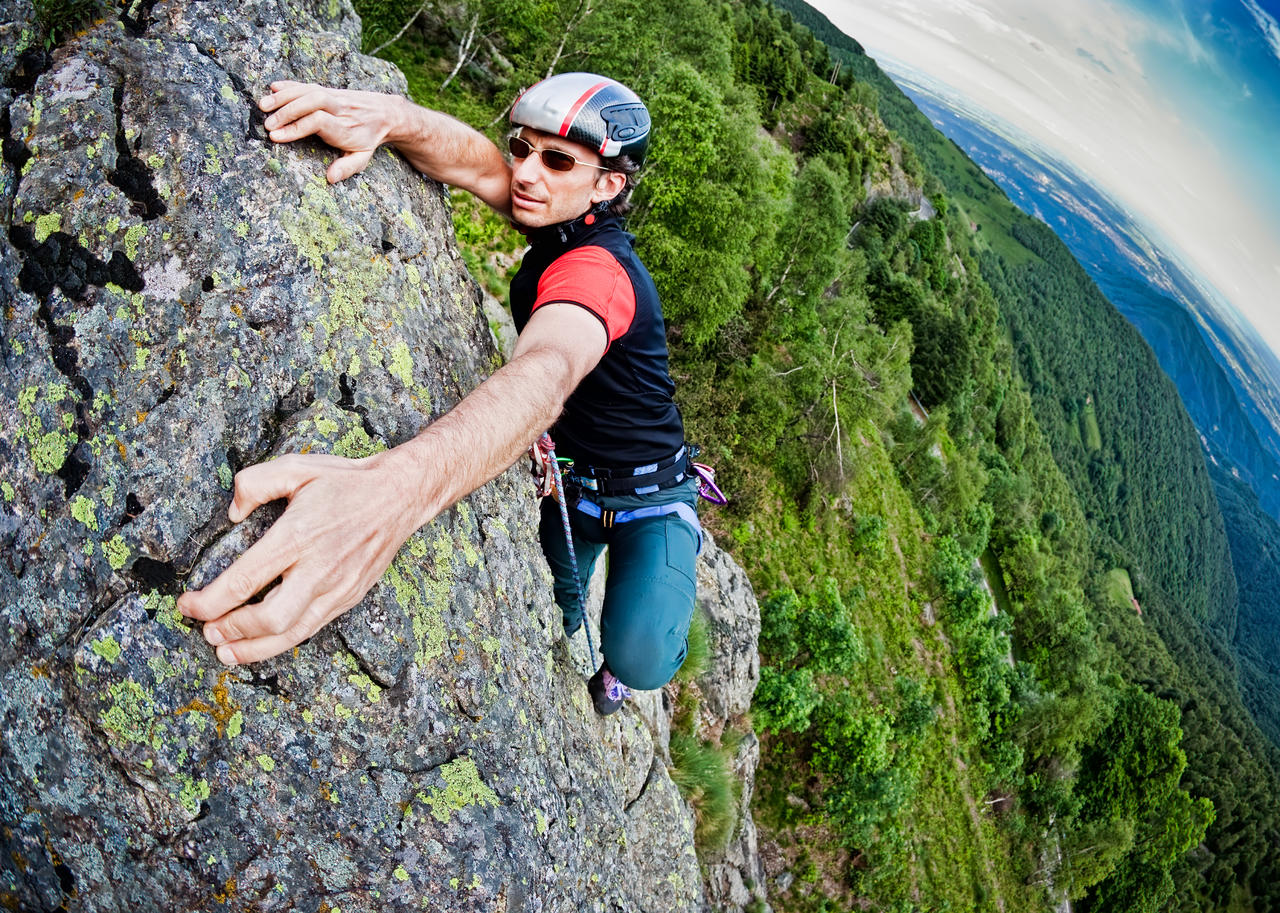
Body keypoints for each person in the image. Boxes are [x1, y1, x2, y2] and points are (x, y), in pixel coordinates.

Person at [176, 73, 701, 715]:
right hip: (571, 479)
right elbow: (478, 165)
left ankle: (621, 670)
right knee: (560, 596)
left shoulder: (598, 271)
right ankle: (572, 621)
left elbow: (549, 368)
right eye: (524, 147)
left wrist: (395, 492)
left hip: (650, 492)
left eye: (557, 159)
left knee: (641, 655)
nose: (528, 173)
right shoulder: (557, 213)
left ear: (608, 183)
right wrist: (391, 117)